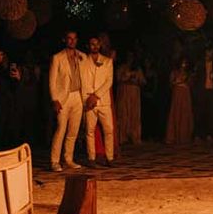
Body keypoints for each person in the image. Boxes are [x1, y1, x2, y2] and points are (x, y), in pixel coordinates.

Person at [48, 31, 87, 171]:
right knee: (61, 129)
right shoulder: (57, 57)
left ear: (77, 40)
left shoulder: (82, 56)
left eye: (74, 39)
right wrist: (54, 99)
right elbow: (52, 81)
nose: (72, 41)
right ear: (65, 40)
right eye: (69, 38)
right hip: (64, 97)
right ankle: (54, 161)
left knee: (73, 130)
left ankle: (68, 159)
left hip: (78, 96)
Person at [81, 36, 115, 167]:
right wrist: (87, 99)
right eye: (92, 44)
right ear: (88, 46)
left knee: (109, 130)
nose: (94, 46)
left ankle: (110, 157)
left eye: (96, 44)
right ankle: (91, 158)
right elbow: (83, 82)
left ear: (100, 45)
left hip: (103, 101)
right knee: (89, 130)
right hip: (89, 100)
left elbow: (109, 82)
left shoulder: (107, 61)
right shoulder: (83, 61)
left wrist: (97, 96)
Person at [116, 51, 145, 146]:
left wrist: (136, 80)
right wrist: (126, 78)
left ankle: (134, 136)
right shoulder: (122, 68)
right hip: (124, 93)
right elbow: (118, 78)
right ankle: (122, 136)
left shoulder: (137, 69)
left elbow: (143, 81)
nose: (130, 59)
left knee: (134, 114)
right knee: (124, 113)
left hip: (134, 93)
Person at [165, 57, 194, 144]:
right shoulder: (174, 72)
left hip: (185, 94)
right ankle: (174, 136)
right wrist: (177, 82)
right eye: (182, 63)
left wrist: (187, 80)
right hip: (177, 94)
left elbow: (190, 84)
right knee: (176, 112)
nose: (183, 65)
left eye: (185, 63)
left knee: (185, 113)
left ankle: (184, 136)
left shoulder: (188, 74)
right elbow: (171, 83)